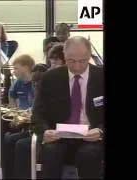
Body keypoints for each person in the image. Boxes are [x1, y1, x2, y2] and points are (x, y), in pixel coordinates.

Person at [32, 36, 104, 179]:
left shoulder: (101, 77)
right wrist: (44, 131)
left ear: (90, 55)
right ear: (64, 55)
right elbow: (38, 113)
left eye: (82, 61)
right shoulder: (50, 78)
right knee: (51, 153)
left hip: (93, 136)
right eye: (71, 61)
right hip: (59, 137)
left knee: (89, 155)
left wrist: (101, 131)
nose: (77, 66)